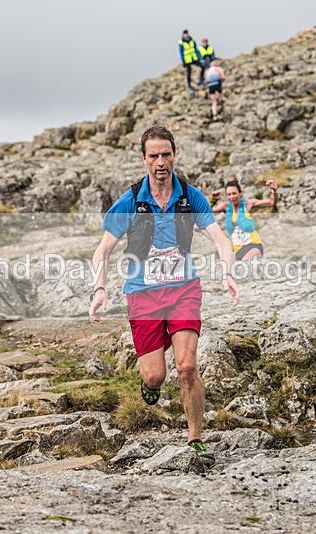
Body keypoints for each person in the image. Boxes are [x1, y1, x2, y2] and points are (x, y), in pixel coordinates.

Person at [89, 125, 240, 462]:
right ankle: (152, 385)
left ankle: (195, 438)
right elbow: (102, 251)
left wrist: (228, 272)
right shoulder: (130, 200)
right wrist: (99, 289)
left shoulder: (189, 196)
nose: (161, 162)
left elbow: (220, 239)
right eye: (154, 155)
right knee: (155, 375)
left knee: (187, 367)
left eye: (166, 154)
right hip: (143, 295)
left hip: (184, 290)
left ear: (174, 155)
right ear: (144, 159)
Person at [211, 179, 278, 261]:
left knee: (244, 263)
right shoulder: (225, 207)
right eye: (229, 194)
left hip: (253, 246)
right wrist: (213, 201)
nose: (232, 197)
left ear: (240, 193)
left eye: (234, 193)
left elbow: (271, 202)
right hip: (237, 250)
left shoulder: (248, 204)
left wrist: (274, 191)